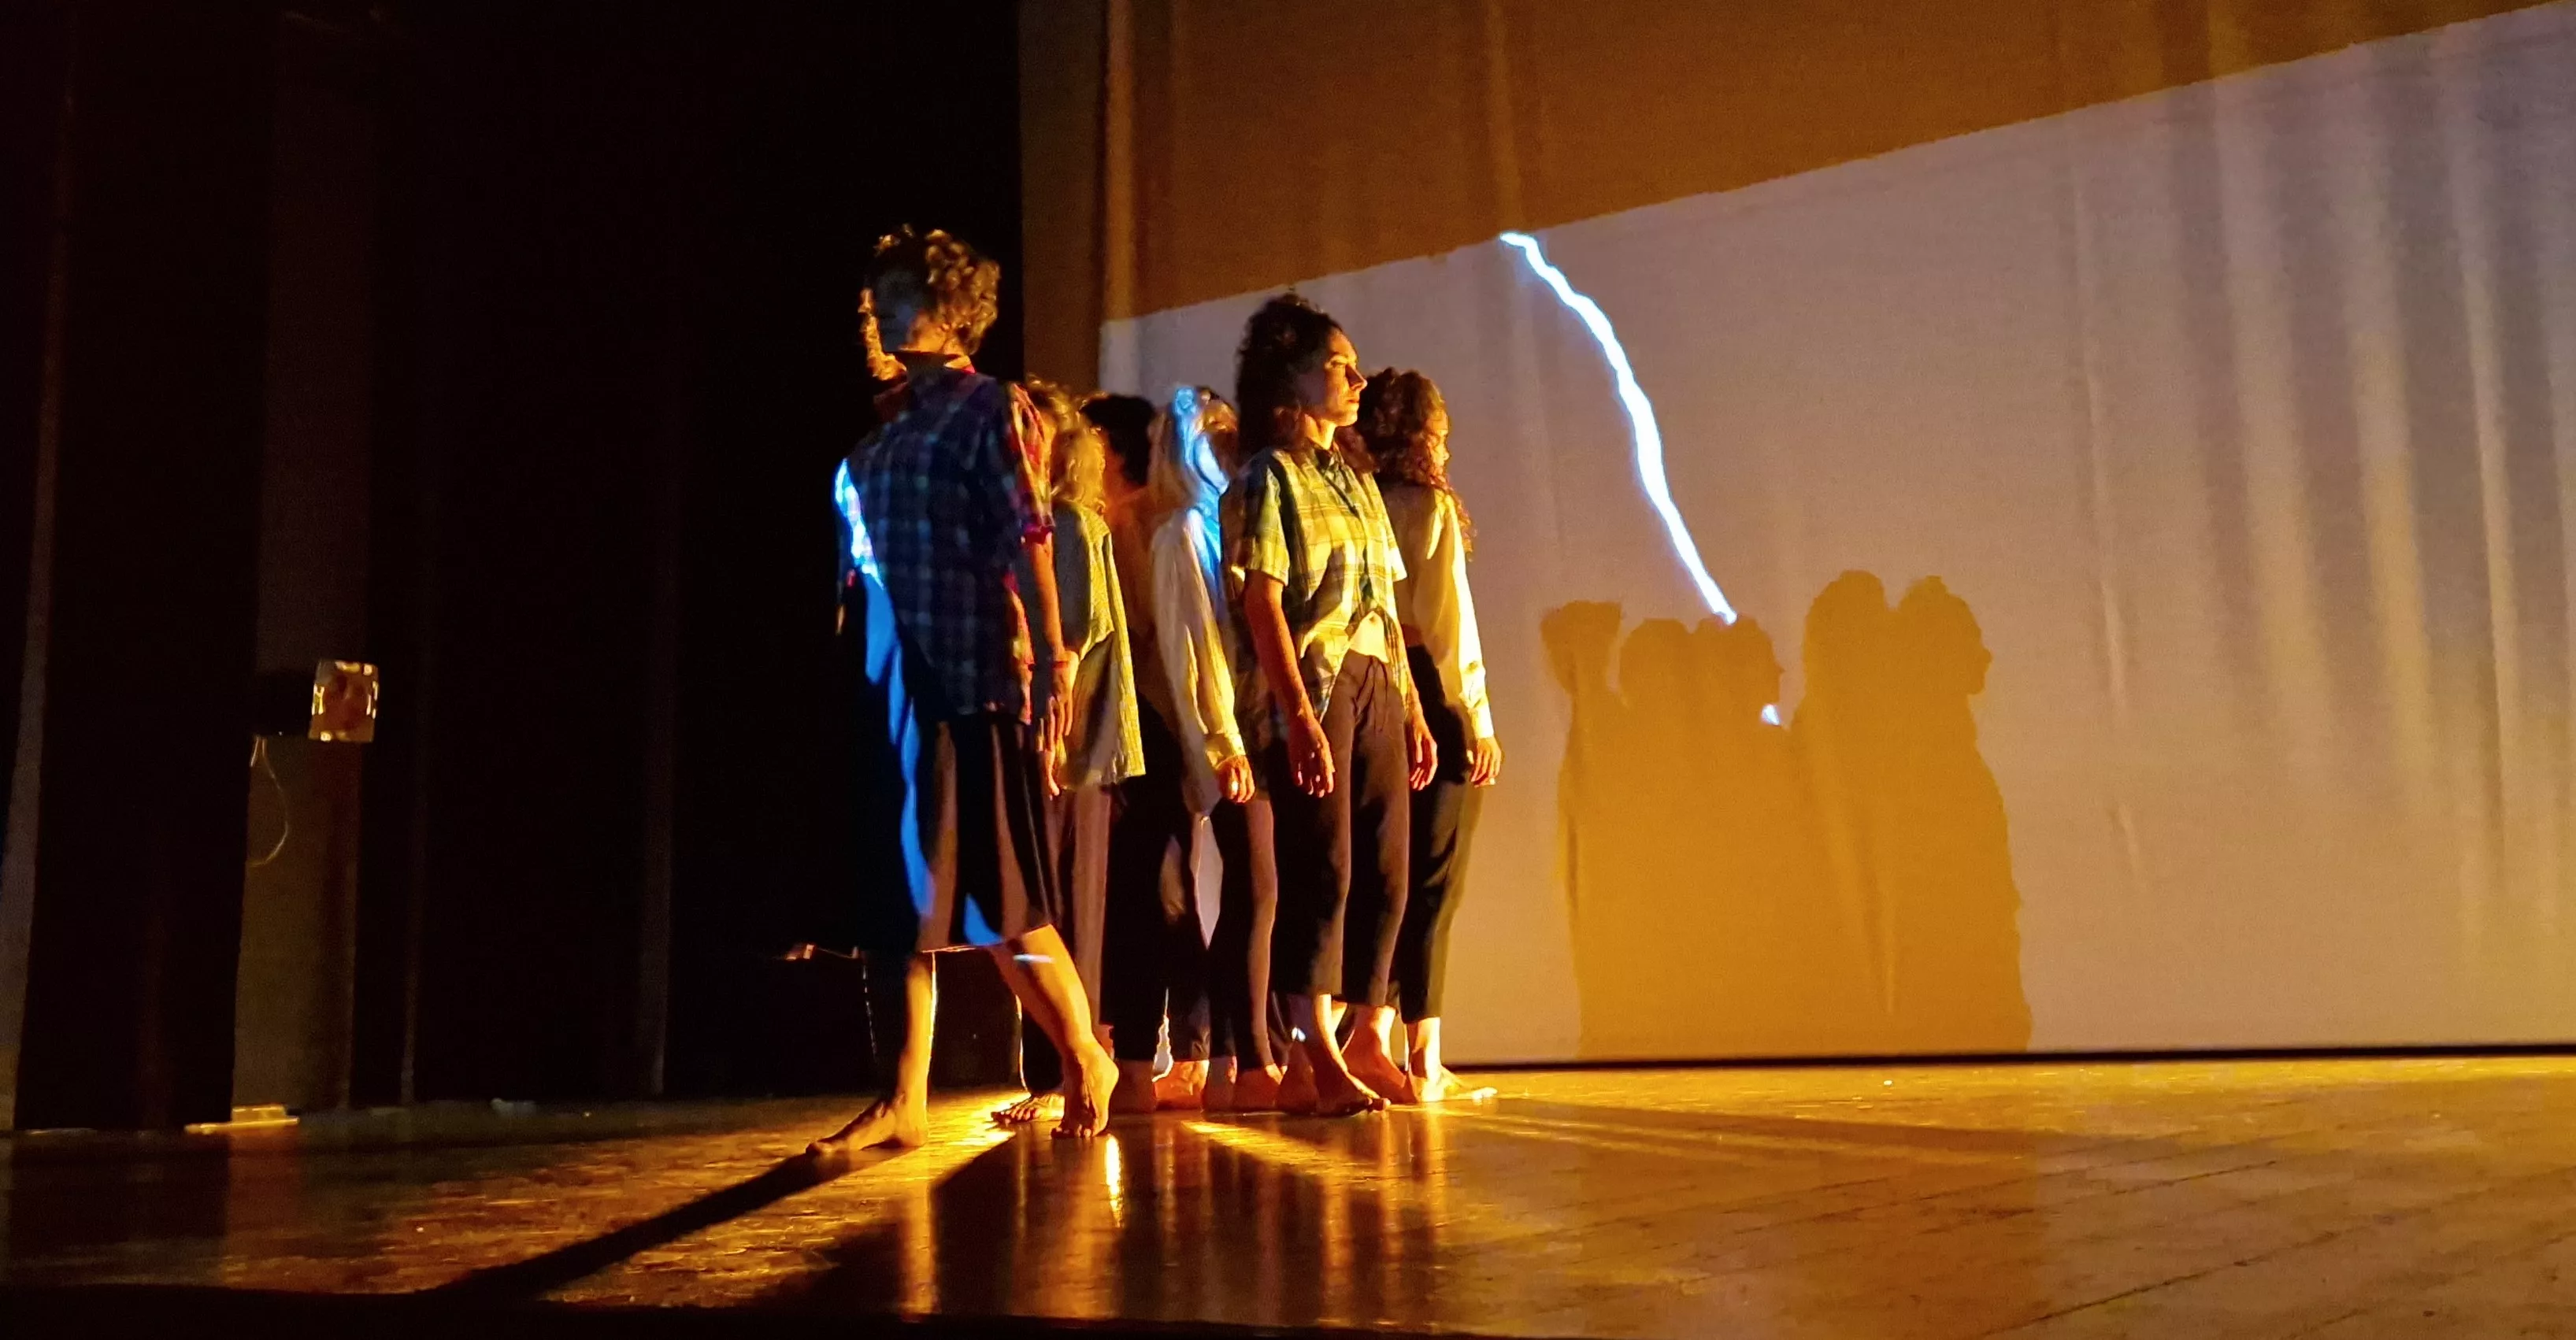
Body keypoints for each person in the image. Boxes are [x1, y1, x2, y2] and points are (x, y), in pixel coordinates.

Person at [813, 227, 1118, 1154]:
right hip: (887, 683)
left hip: (966, 675)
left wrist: (1057, 661)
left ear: (948, 311)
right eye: (875, 300)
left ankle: (1084, 1053)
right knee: (893, 902)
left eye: (897, 297)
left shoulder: (991, 408)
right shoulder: (885, 437)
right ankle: (903, 1098)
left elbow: (1026, 531)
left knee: (996, 898)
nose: (879, 314)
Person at [1222, 294, 1436, 1116]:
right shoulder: (1267, 474)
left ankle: (1358, 1038)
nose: (1356, 376)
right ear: (1292, 379)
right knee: (1328, 865)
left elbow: (1383, 601)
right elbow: (1263, 603)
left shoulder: (1352, 476)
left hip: (1378, 673)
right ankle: (1310, 1049)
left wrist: (1412, 708)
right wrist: (1301, 716)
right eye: (1337, 365)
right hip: (1317, 680)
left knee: (1387, 868)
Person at [1108, 386, 1284, 1113]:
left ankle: (1224, 1059)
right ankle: (1237, 1063)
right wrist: (1221, 743)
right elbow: (1190, 652)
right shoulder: (1180, 530)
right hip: (1211, 734)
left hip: (1242, 729)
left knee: (1258, 889)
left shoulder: (1222, 523)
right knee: (1238, 890)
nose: (1226, 453)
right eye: (1211, 442)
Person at [995, 381, 1148, 1126]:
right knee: (1035, 906)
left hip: (1071, 750)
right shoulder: (1036, 528)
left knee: (1068, 913)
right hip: (1046, 744)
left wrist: (1054, 741)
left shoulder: (1072, 525)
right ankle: (1054, 1062)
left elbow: (1076, 638)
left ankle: (1075, 1062)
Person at [1360, 369, 1502, 1103]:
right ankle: (1424, 1058)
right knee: (1434, 879)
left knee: (1387, 875)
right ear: (1429, 435)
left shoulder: (1360, 500)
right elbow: (1450, 625)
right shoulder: (1429, 506)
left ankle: (1375, 1043)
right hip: (1430, 688)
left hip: (1377, 688)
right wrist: (1473, 717)